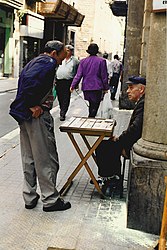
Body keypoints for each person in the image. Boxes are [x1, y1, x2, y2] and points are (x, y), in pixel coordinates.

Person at [9, 40, 71, 212]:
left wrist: (26, 105)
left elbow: (24, 79)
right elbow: (28, 81)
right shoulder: (48, 63)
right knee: (46, 159)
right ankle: (50, 199)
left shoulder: (35, 61)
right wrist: (31, 105)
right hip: (36, 117)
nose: (60, 61)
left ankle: (30, 197)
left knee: (29, 158)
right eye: (61, 57)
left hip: (25, 117)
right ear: (54, 53)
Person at [95, 76, 146, 195]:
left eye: (131, 88)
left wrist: (120, 139)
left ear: (141, 89)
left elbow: (135, 129)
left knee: (104, 147)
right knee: (105, 145)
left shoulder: (143, 104)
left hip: (134, 144)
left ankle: (111, 179)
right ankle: (111, 177)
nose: (128, 91)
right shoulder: (142, 102)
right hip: (134, 141)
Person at [70, 43, 109, 117]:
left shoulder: (83, 61)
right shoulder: (101, 61)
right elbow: (104, 76)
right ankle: (91, 118)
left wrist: (73, 85)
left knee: (91, 104)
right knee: (95, 105)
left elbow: (78, 75)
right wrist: (106, 87)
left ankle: (91, 117)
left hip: (86, 87)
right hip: (97, 87)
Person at [55, 45, 79, 121]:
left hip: (68, 81)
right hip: (59, 80)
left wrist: (75, 84)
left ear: (71, 52)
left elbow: (77, 72)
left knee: (66, 97)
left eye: (68, 50)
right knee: (60, 97)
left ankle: (63, 113)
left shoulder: (75, 61)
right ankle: (62, 108)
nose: (66, 52)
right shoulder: (60, 59)